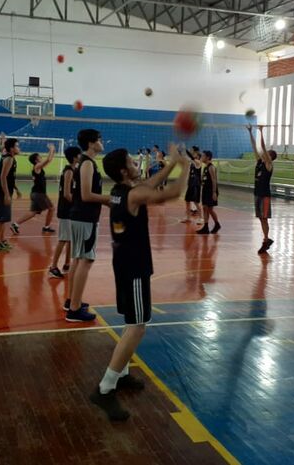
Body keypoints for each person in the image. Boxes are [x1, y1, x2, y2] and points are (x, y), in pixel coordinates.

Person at [90, 144, 190, 421]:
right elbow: (172, 193)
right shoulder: (134, 194)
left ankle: (120, 374)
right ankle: (105, 388)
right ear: (124, 170)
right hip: (134, 268)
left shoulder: (119, 192)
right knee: (138, 327)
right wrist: (186, 167)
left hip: (123, 264)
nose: (136, 161)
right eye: (132, 160)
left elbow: (148, 184)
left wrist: (170, 164)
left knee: (132, 323)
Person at [65, 129, 110, 322]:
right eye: (100, 139)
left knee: (77, 259)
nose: (102, 142)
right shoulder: (87, 164)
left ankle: (71, 300)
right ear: (91, 143)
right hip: (85, 218)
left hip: (80, 217)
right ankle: (74, 310)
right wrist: (109, 200)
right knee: (86, 260)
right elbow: (86, 195)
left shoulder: (86, 163)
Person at [48, 146, 82, 279]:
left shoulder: (75, 170)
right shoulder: (69, 171)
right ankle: (53, 267)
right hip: (66, 209)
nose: (81, 156)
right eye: (79, 155)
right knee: (63, 238)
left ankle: (67, 263)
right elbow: (67, 194)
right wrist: (79, 203)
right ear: (75, 157)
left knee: (70, 239)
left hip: (71, 209)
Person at [11, 145, 57, 235]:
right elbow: (47, 160)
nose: (41, 157)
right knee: (52, 208)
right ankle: (46, 227)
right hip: (39, 194)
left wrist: (53, 151)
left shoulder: (38, 167)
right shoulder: (37, 167)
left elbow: (49, 160)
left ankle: (15, 224)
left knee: (33, 212)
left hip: (36, 193)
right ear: (36, 160)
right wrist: (51, 149)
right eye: (39, 157)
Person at [247, 125, 277, 254]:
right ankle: (266, 239)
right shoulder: (259, 162)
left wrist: (261, 132)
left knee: (264, 218)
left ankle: (265, 239)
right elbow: (255, 146)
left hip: (265, 195)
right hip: (257, 194)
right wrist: (250, 132)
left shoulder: (269, 165)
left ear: (270, 157)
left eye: (267, 154)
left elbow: (263, 148)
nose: (264, 153)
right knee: (260, 218)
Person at [0, 138, 21, 252]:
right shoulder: (9, 159)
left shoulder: (9, 157)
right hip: (2, 192)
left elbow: (9, 178)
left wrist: (16, 189)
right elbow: (2, 177)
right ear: (12, 148)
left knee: (4, 218)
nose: (19, 148)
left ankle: (1, 241)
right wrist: (7, 195)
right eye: (17, 146)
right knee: (1, 219)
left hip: (4, 190)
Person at [196, 150, 220, 234]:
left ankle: (217, 224)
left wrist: (214, 192)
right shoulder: (205, 167)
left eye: (203, 156)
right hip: (206, 190)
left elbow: (214, 180)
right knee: (205, 208)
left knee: (210, 209)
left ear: (208, 157)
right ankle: (205, 227)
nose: (201, 157)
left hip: (211, 191)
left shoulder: (211, 167)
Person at [180, 146, 202, 223]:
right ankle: (188, 218)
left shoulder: (198, 162)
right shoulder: (192, 164)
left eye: (193, 151)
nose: (192, 152)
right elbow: (189, 159)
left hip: (196, 185)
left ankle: (201, 218)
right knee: (187, 200)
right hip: (191, 184)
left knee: (196, 202)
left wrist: (186, 151)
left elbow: (192, 158)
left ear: (197, 155)